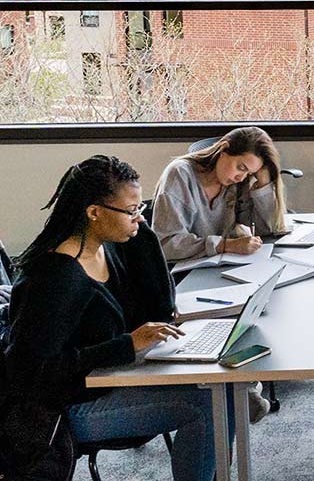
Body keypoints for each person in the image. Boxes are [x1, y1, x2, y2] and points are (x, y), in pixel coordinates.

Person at [4, 155, 229, 481]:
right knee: (207, 406)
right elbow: (30, 373)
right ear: (94, 212)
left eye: (141, 208)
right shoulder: (54, 279)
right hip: (72, 409)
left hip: (121, 377)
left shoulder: (109, 246)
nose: (138, 218)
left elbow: (161, 306)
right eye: (131, 211)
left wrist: (144, 235)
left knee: (223, 389)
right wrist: (125, 345)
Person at [151, 126, 287, 262]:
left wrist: (263, 184)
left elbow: (266, 230)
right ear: (223, 149)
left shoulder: (236, 183)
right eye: (241, 168)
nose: (241, 177)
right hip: (184, 270)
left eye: (249, 173)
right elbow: (166, 244)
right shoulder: (180, 174)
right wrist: (225, 245)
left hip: (220, 265)